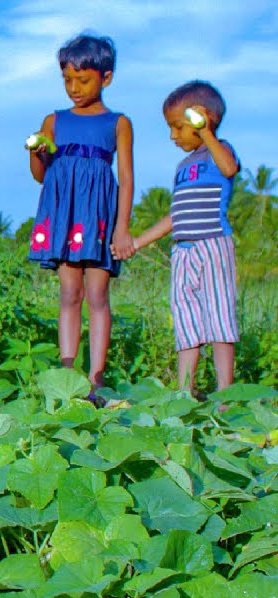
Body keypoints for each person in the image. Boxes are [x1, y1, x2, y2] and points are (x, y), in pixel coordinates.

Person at [26, 34, 134, 405]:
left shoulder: (118, 123)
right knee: (69, 292)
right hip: (64, 215)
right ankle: (68, 374)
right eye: (67, 80)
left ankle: (97, 378)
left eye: (83, 80)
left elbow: (127, 178)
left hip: (99, 218)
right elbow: (41, 175)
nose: (74, 88)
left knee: (97, 293)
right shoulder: (53, 121)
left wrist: (122, 227)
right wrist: (38, 153)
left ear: (106, 78)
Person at [115, 81, 239, 395]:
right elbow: (174, 217)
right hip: (182, 251)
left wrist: (206, 132)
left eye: (177, 127)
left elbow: (229, 168)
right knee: (186, 318)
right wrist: (136, 242)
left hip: (212, 244)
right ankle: (185, 390)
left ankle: (226, 393)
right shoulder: (183, 166)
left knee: (219, 316)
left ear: (202, 118)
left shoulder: (219, 151)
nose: (173, 136)